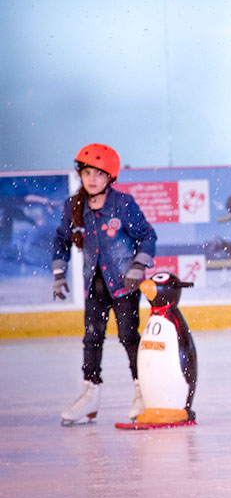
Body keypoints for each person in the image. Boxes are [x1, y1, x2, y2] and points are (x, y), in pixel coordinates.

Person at [53, 143, 157, 426]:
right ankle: (90, 396)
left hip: (124, 284)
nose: (92, 179)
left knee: (128, 337)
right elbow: (61, 240)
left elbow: (147, 236)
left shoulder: (122, 204)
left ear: (110, 177)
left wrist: (138, 266)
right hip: (94, 287)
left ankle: (142, 392)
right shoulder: (74, 206)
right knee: (92, 338)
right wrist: (59, 273)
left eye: (99, 174)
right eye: (87, 173)